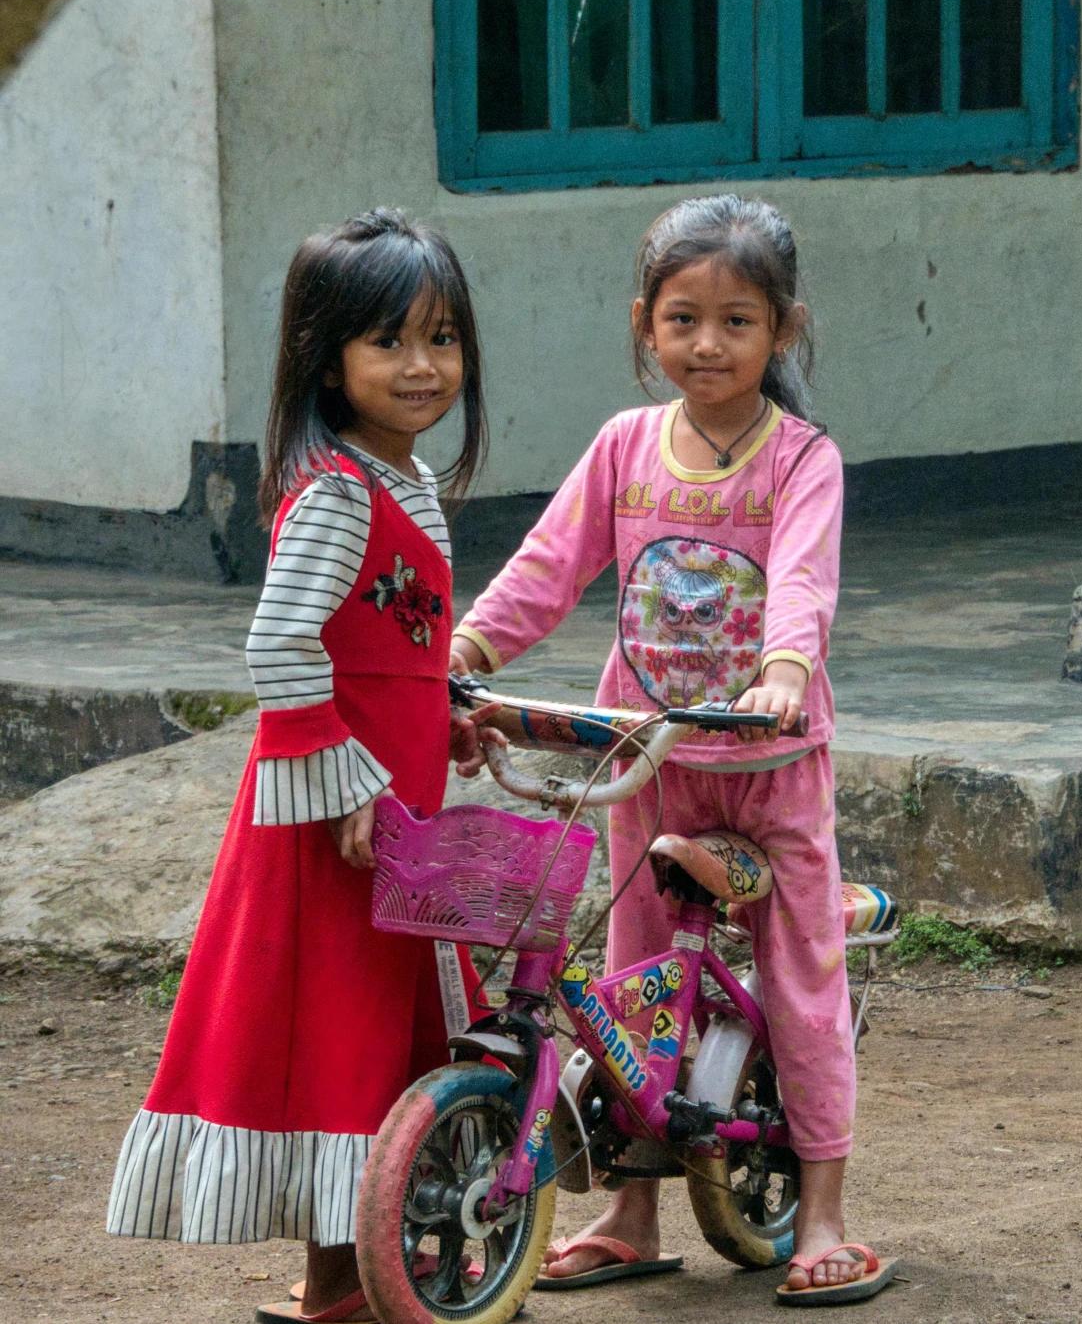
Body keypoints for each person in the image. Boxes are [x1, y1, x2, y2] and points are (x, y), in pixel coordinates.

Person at [451, 193, 891, 1304]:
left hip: (766, 766)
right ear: (644, 323)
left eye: (737, 320)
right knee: (633, 986)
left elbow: (800, 580)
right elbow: (548, 567)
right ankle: (630, 1210)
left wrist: (784, 673)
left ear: (782, 329)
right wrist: (466, 644)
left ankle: (825, 1212)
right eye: (683, 317)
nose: (708, 343)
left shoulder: (803, 458)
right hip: (644, 760)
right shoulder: (622, 446)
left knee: (797, 979)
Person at [105, 210, 491, 1323]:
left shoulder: (398, 479)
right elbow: (279, 643)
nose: (422, 367)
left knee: (367, 1036)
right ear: (328, 358)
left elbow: (383, 647)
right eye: (389, 342)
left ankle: (347, 1278)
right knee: (335, 1035)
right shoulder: (336, 492)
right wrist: (353, 778)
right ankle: (338, 1282)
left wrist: (445, 712)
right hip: (335, 829)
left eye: (442, 338)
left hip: (386, 813)